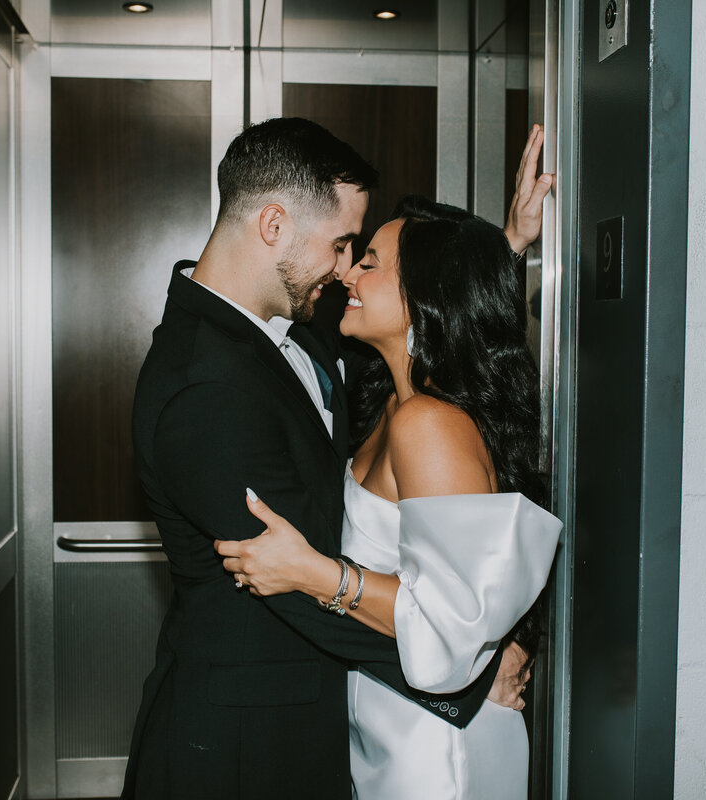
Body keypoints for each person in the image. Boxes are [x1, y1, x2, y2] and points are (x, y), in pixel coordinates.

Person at [121, 117, 540, 800]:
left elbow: (429, 304)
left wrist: (503, 247)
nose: (346, 269)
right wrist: (468, 673)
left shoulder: (298, 323)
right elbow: (291, 588)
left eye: (360, 254)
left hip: (341, 717)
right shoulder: (206, 385)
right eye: (342, 244)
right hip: (244, 740)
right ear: (274, 226)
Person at [215, 191, 562, 797]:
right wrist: (505, 248)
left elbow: (447, 622)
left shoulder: (426, 423)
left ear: (423, 296)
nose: (347, 272)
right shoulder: (389, 407)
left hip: (435, 745)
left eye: (370, 261)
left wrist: (312, 573)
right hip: (390, 718)